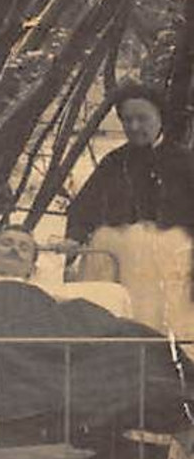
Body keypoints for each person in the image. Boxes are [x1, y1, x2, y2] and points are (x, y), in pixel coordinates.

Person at [62, 84, 194, 331]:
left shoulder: (185, 161)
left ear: (160, 119)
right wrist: (74, 237)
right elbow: (83, 208)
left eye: (142, 119)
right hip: (116, 257)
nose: (134, 127)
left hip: (173, 257)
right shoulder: (114, 162)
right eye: (127, 120)